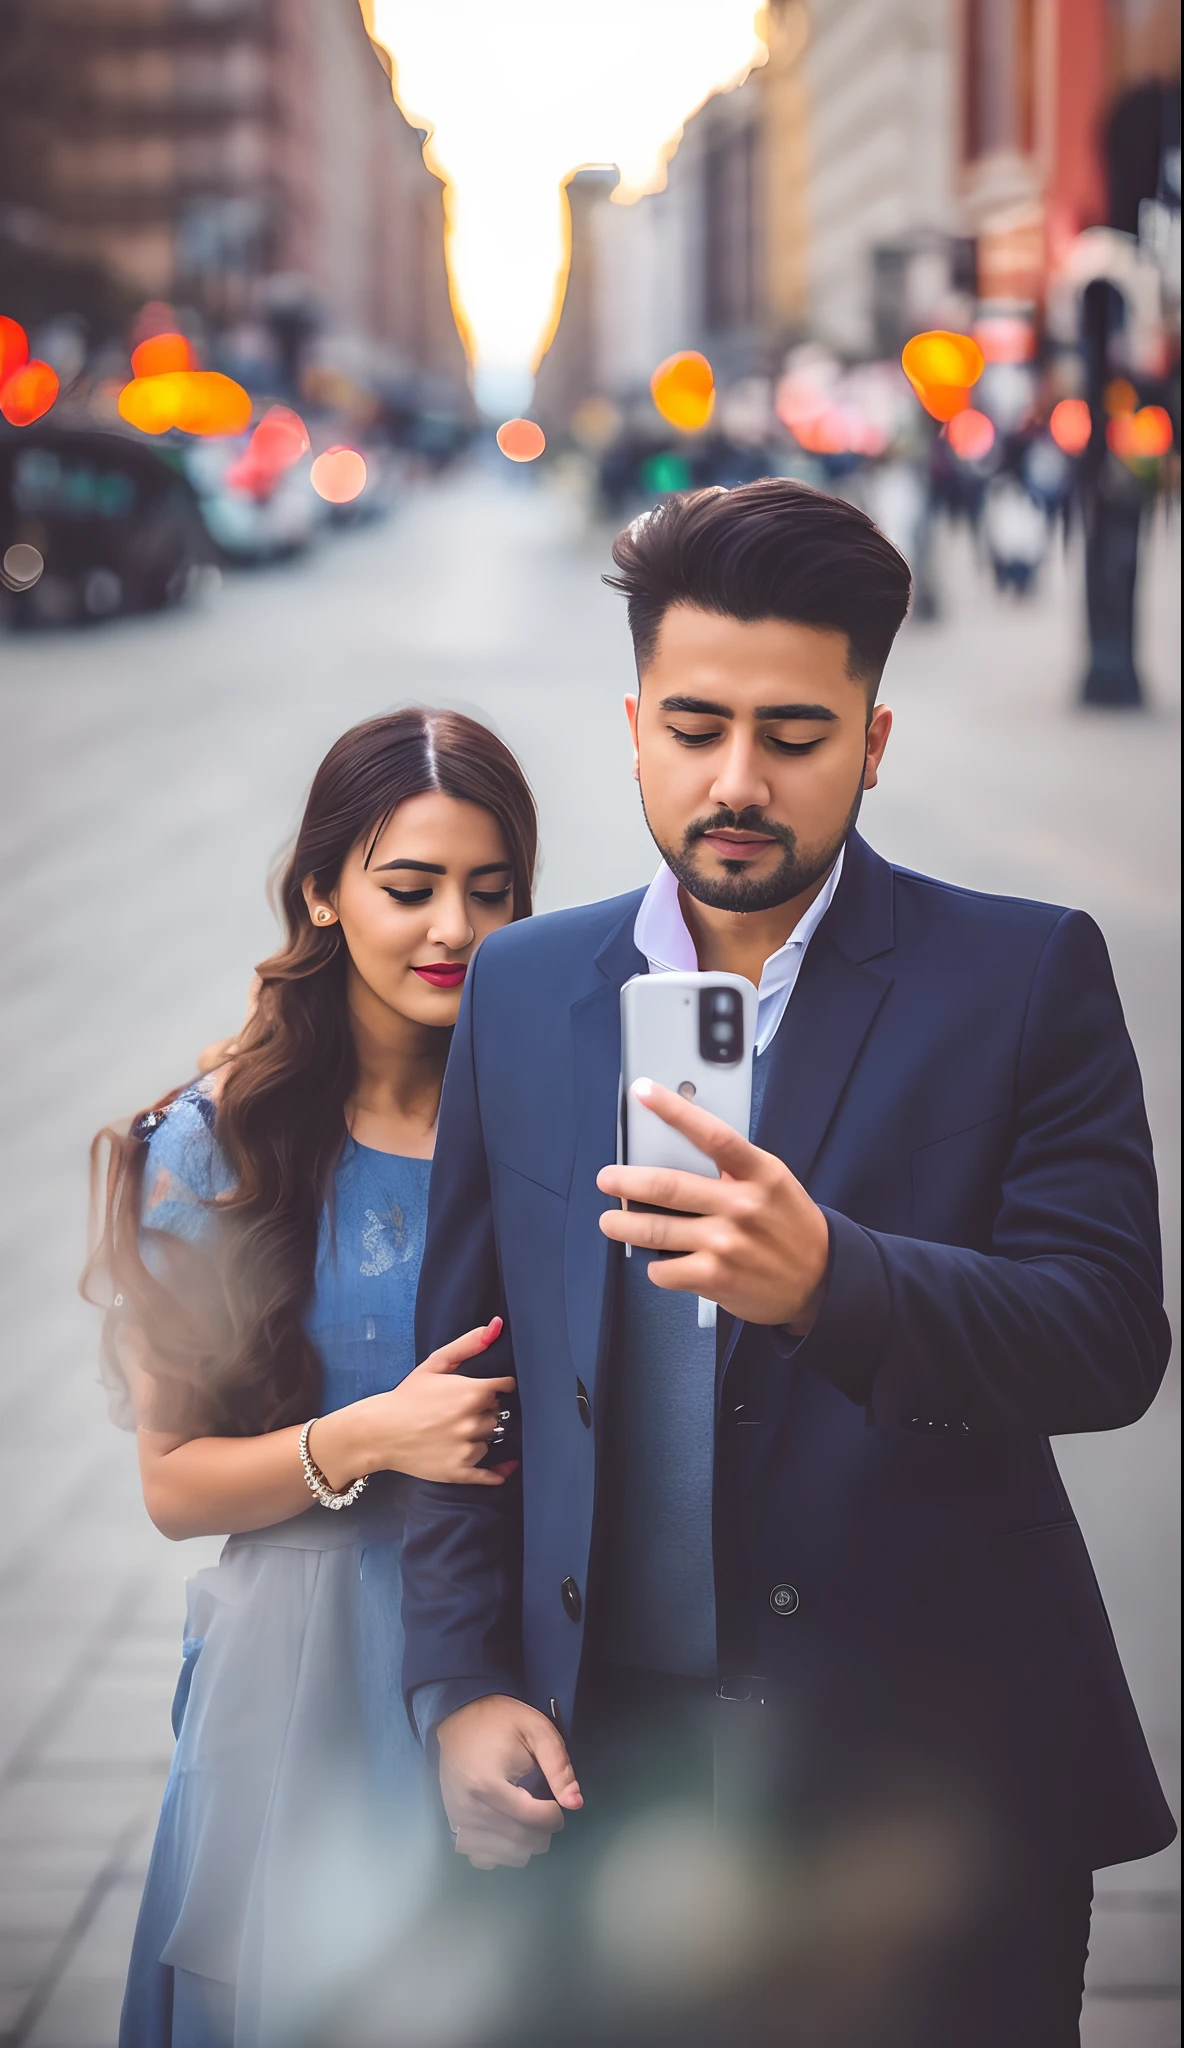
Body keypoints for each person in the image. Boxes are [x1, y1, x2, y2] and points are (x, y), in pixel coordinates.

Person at [399, 481, 1175, 2048]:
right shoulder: (527, 985)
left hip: (940, 1788)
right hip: (599, 1777)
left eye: (796, 737)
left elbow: (1108, 1343)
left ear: (874, 742)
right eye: (693, 729)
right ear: (632, 729)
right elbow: (463, 1386)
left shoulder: (1026, 974)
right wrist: (456, 1687)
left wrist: (837, 1280)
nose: (737, 781)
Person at [85, 708, 538, 2048]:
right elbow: (173, 1487)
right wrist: (369, 1438)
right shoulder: (220, 1145)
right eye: (408, 888)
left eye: (490, 890)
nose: (451, 928)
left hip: (522, 1650)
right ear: (322, 894)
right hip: (305, 1669)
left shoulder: (548, 1111)